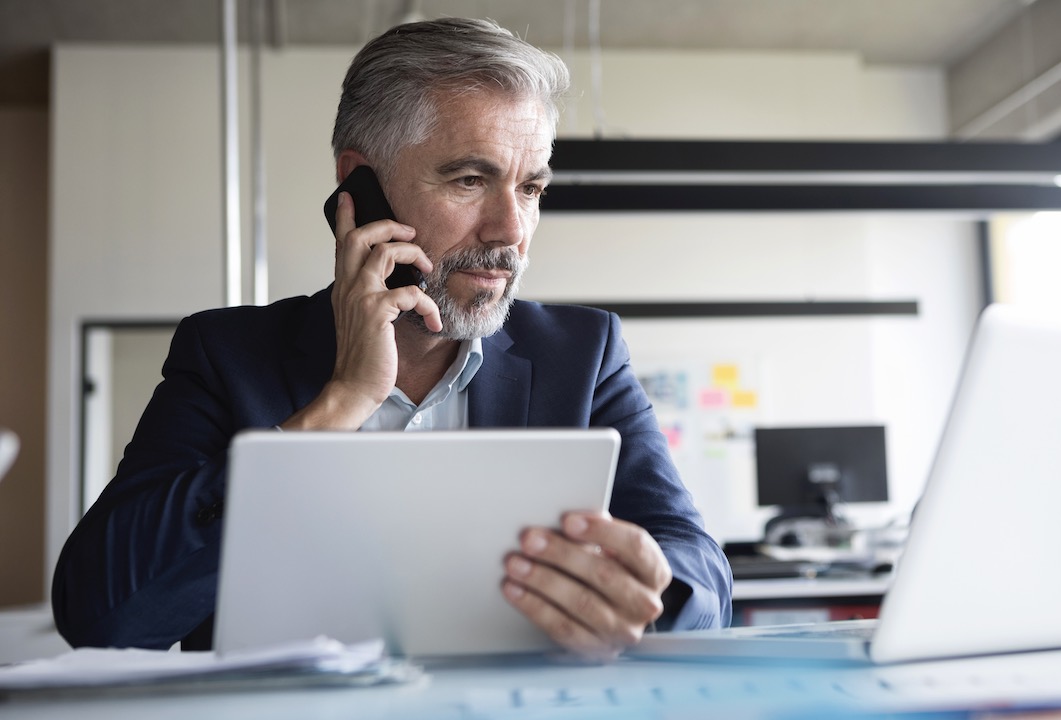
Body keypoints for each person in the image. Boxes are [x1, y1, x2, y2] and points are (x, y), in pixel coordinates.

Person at [52, 17, 731, 661]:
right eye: (470, 179)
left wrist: (651, 595)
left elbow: (704, 575)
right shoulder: (225, 355)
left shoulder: (582, 354)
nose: (510, 231)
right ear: (360, 185)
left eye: (530, 188)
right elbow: (103, 615)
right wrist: (339, 404)